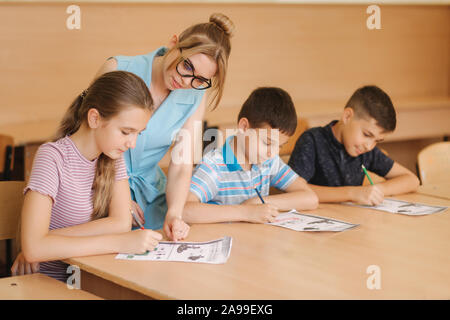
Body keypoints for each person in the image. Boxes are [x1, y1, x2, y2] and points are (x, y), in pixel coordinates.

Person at [94, 13, 234, 240]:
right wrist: (118, 197)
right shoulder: (118, 69)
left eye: (199, 79)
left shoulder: (195, 95)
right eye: (187, 66)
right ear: (173, 43)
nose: (186, 81)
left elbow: (181, 163)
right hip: (100, 186)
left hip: (150, 195)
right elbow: (86, 143)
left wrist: (175, 213)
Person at [11, 71, 163, 281]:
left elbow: (121, 223)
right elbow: (35, 249)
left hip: (90, 278)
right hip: (49, 283)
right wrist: (120, 242)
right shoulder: (52, 157)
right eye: (126, 132)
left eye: (138, 133)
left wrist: (46, 241)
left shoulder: (113, 158)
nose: (132, 144)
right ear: (94, 119)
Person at [183, 87, 318, 224]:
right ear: (244, 127)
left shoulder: (268, 162)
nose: (273, 153)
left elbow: (310, 198)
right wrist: (246, 212)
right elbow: (185, 211)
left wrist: (258, 201)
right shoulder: (214, 165)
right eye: (267, 142)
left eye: (280, 146)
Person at [288, 85, 420, 206]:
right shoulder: (312, 140)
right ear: (347, 116)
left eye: (377, 141)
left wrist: (377, 190)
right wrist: (352, 193)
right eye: (367, 134)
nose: (369, 146)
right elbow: (292, 188)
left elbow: (412, 180)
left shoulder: (366, 150)